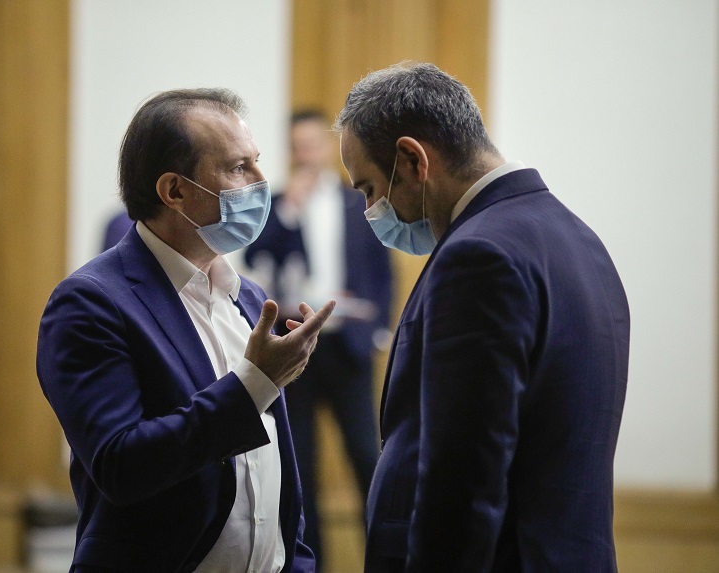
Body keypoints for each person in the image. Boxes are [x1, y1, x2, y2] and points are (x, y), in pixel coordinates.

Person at [334, 62, 630, 572]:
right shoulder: (578, 239)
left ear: (412, 160)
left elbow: (463, 477)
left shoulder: (478, 255)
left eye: (369, 189)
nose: (370, 210)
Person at [37, 88, 335, 573]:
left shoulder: (250, 298)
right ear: (174, 191)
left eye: (257, 162)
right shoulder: (91, 302)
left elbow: (274, 474)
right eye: (239, 167)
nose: (262, 181)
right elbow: (120, 465)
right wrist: (255, 385)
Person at [244, 109, 392, 570]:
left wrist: (378, 331)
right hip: (295, 344)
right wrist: (290, 209)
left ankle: (385, 560)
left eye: (312, 144)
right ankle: (312, 565)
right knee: (300, 464)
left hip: (349, 344)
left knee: (367, 456)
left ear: (328, 148)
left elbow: (381, 269)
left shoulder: (357, 200)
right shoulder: (277, 202)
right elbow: (255, 253)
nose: (306, 154)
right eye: (297, 147)